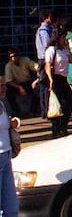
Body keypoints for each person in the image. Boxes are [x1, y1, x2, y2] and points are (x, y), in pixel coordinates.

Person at [45, 27, 72, 138]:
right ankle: (57, 128)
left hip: (63, 78)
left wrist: (67, 48)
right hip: (56, 78)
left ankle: (63, 126)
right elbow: (47, 64)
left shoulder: (63, 50)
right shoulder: (51, 50)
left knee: (70, 103)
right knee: (58, 104)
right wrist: (50, 79)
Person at [0, 76, 20, 217]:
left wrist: (12, 122)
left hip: (6, 156)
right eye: (1, 85)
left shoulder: (2, 103)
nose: (4, 88)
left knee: (11, 208)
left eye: (4, 84)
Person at [4, 48, 39, 117]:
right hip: (17, 84)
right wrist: (19, 87)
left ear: (18, 56)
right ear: (9, 58)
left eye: (15, 56)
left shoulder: (25, 60)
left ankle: (33, 111)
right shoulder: (8, 66)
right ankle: (16, 112)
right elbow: (9, 81)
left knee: (38, 89)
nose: (13, 58)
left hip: (28, 82)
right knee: (8, 93)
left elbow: (34, 65)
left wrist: (38, 68)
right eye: (11, 57)